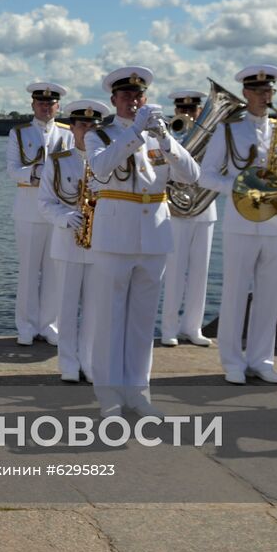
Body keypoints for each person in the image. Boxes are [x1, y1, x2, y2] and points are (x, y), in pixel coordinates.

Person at [86, 66, 199, 418]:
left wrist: (165, 140)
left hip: (154, 234)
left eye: (138, 96)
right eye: (125, 97)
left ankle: (138, 391)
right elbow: (102, 169)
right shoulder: (99, 135)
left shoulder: (158, 135)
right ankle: (109, 395)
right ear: (113, 101)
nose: (132, 102)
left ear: (146, 99)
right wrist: (135, 132)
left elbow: (191, 176)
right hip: (115, 235)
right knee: (109, 320)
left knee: (141, 320)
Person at [197, 65, 277, 384]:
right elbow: (206, 174)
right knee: (235, 292)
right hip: (240, 220)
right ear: (247, 94)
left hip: (276, 222)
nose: (267, 97)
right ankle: (232, 361)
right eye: (261, 92)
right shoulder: (229, 130)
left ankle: (262, 359)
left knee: (270, 293)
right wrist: (239, 188)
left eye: (270, 92)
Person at [37, 99, 111, 383]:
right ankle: (68, 363)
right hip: (67, 241)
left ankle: (90, 362)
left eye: (94, 125)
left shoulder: (109, 161)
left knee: (95, 309)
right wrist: (63, 217)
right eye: (83, 124)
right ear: (73, 127)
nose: (88, 129)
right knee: (66, 308)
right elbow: (44, 202)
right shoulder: (57, 162)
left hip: (100, 243)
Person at [8, 81, 71, 346]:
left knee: (56, 272)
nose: (46, 107)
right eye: (41, 103)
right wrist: (39, 173)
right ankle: (26, 325)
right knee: (29, 271)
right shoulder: (19, 133)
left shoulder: (68, 134)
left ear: (58, 106)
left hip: (59, 210)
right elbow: (12, 170)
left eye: (51, 103)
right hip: (29, 210)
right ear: (33, 105)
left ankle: (49, 325)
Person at [160, 90, 216, 348]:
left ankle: (193, 327)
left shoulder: (213, 137)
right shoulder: (168, 136)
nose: (187, 115)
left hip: (204, 209)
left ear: (199, 111)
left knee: (200, 272)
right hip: (176, 211)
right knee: (174, 271)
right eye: (182, 110)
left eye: (192, 110)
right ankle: (169, 328)